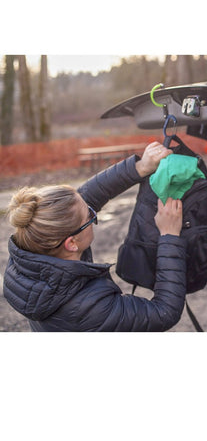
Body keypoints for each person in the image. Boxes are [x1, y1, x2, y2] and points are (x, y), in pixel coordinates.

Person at [3, 141, 187, 332]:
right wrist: (170, 235)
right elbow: (163, 313)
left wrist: (140, 167)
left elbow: (81, 201)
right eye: (90, 216)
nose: (93, 213)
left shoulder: (29, 247)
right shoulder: (90, 307)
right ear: (71, 243)